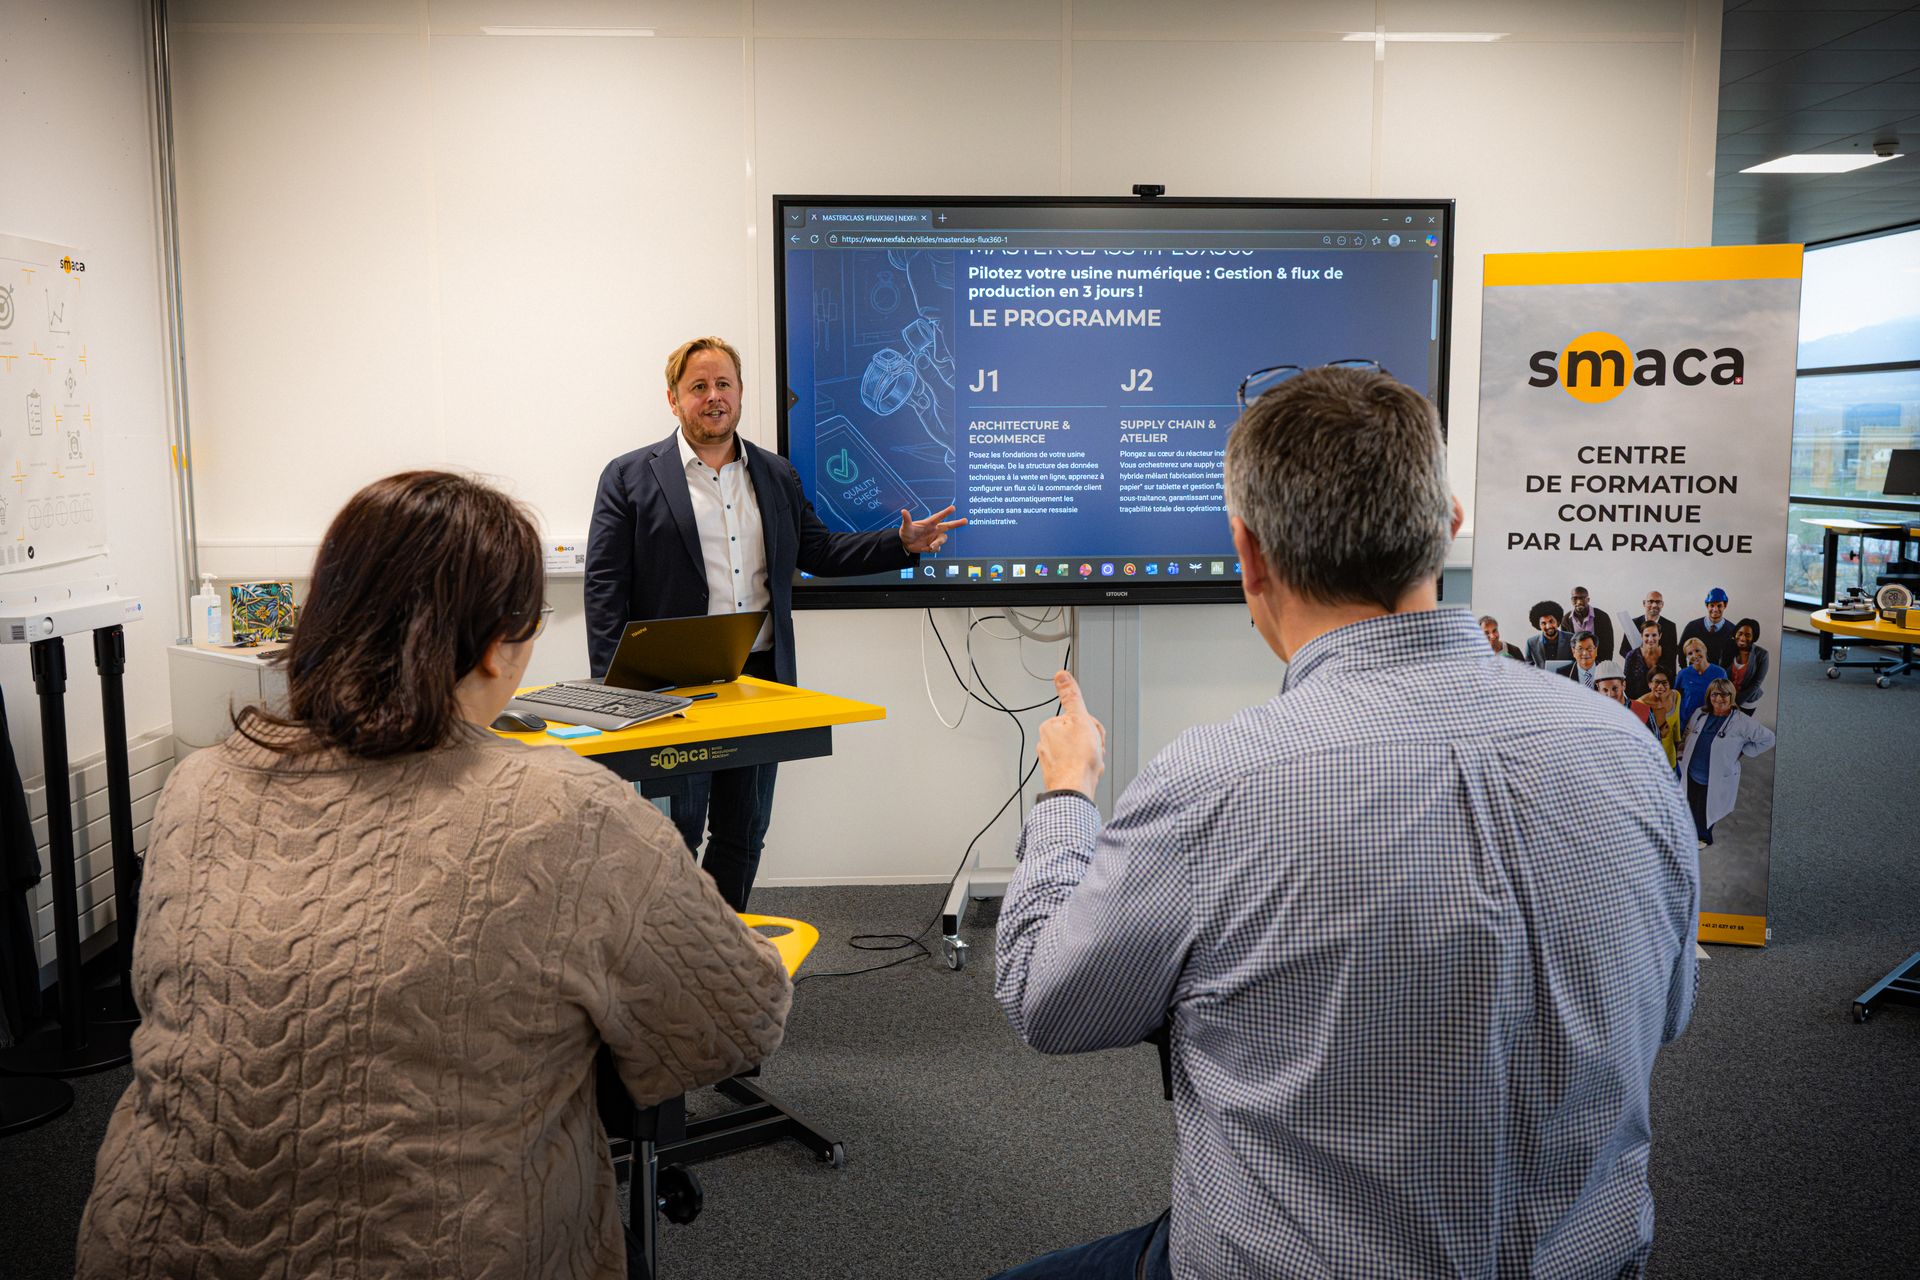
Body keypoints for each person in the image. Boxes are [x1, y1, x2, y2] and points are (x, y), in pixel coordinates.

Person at [991, 367, 1697, 1280]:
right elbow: (1667, 1012)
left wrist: (1066, 797)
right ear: (1447, 524)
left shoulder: (1216, 782)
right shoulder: (1629, 747)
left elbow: (1046, 1000)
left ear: (1249, 555)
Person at [76, 472, 793, 1280]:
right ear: (498, 644)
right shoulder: (568, 808)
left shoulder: (199, 785)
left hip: (148, 1248)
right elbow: (736, 1024)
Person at [586, 336, 963, 909]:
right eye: (698, 387)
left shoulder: (775, 473)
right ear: (673, 399)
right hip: (669, 690)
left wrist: (900, 544)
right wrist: (614, 693)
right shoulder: (628, 476)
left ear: (740, 393)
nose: (713, 397)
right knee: (671, 838)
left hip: (760, 682)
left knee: (742, 834)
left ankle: (723, 945)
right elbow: (604, 589)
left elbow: (820, 551)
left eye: (724, 384)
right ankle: (669, 951)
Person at [1677, 677, 1777, 847]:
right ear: (1709, 696)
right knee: (1691, 805)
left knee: (1707, 809)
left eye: (1724, 694)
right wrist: (1681, 752)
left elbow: (1769, 739)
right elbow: (1688, 732)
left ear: (1732, 696)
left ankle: (1704, 838)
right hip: (1692, 772)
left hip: (1715, 776)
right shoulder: (1700, 713)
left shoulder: (1742, 721)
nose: (1719, 698)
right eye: (1715, 694)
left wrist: (1744, 751)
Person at [1675, 636, 1728, 731]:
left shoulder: (1720, 673)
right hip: (1686, 722)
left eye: (1697, 650)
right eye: (1690, 653)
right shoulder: (1683, 674)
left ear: (1704, 649)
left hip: (1709, 722)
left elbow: (1725, 699)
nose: (1694, 655)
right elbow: (1675, 697)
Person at [1594, 658, 1657, 738]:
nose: (1610, 695)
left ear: (1623, 685)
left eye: (1615, 688)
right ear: (1599, 689)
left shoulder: (1643, 711)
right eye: (1605, 690)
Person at [1636, 669, 1685, 769]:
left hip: (1670, 759)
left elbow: (1676, 723)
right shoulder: (1640, 705)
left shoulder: (1676, 696)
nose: (1660, 687)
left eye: (1664, 683)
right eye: (1656, 682)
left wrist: (1678, 742)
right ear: (1649, 684)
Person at [1681, 587, 1739, 671]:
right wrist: (1686, 671)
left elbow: (1736, 657)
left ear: (1725, 605)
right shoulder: (1692, 627)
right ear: (1707, 605)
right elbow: (1681, 649)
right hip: (1696, 674)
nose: (1715, 609)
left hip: (1720, 677)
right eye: (1712, 605)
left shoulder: (1733, 630)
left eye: (1719, 606)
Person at [1625, 619, 1676, 702]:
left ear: (1660, 636)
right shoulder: (1631, 656)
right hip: (1638, 703)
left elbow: (1672, 682)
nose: (1650, 639)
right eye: (1647, 635)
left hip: (1663, 702)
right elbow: (1627, 686)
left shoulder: (1669, 655)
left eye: (1654, 635)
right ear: (1641, 636)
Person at [1621, 589, 1678, 661]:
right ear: (1644, 603)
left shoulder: (1670, 626)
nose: (1654, 605)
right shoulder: (1632, 623)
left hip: (1660, 667)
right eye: (1650, 601)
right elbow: (1623, 650)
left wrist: (1654, 664)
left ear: (1662, 604)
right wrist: (1637, 661)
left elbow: (1672, 653)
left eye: (1658, 602)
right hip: (1636, 666)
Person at [1728, 617, 1770, 714]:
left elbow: (1756, 683)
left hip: (1747, 702)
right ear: (1735, 633)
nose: (1742, 638)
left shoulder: (1762, 655)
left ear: (1753, 637)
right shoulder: (1728, 648)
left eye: (1747, 635)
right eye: (1740, 633)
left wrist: (1735, 701)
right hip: (1726, 698)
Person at [1563, 584, 1614, 658]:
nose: (1579, 602)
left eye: (1582, 598)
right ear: (1571, 600)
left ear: (1588, 599)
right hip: (1576, 662)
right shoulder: (1566, 620)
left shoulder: (1603, 617)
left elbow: (1608, 646)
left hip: (1598, 661)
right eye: (1575, 598)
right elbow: (1566, 647)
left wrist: (1604, 663)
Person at [1525, 598, 1573, 669]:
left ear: (1557, 622)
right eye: (1543, 623)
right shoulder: (1531, 642)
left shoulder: (1571, 638)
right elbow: (1528, 666)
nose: (1548, 626)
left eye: (1551, 621)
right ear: (1539, 625)